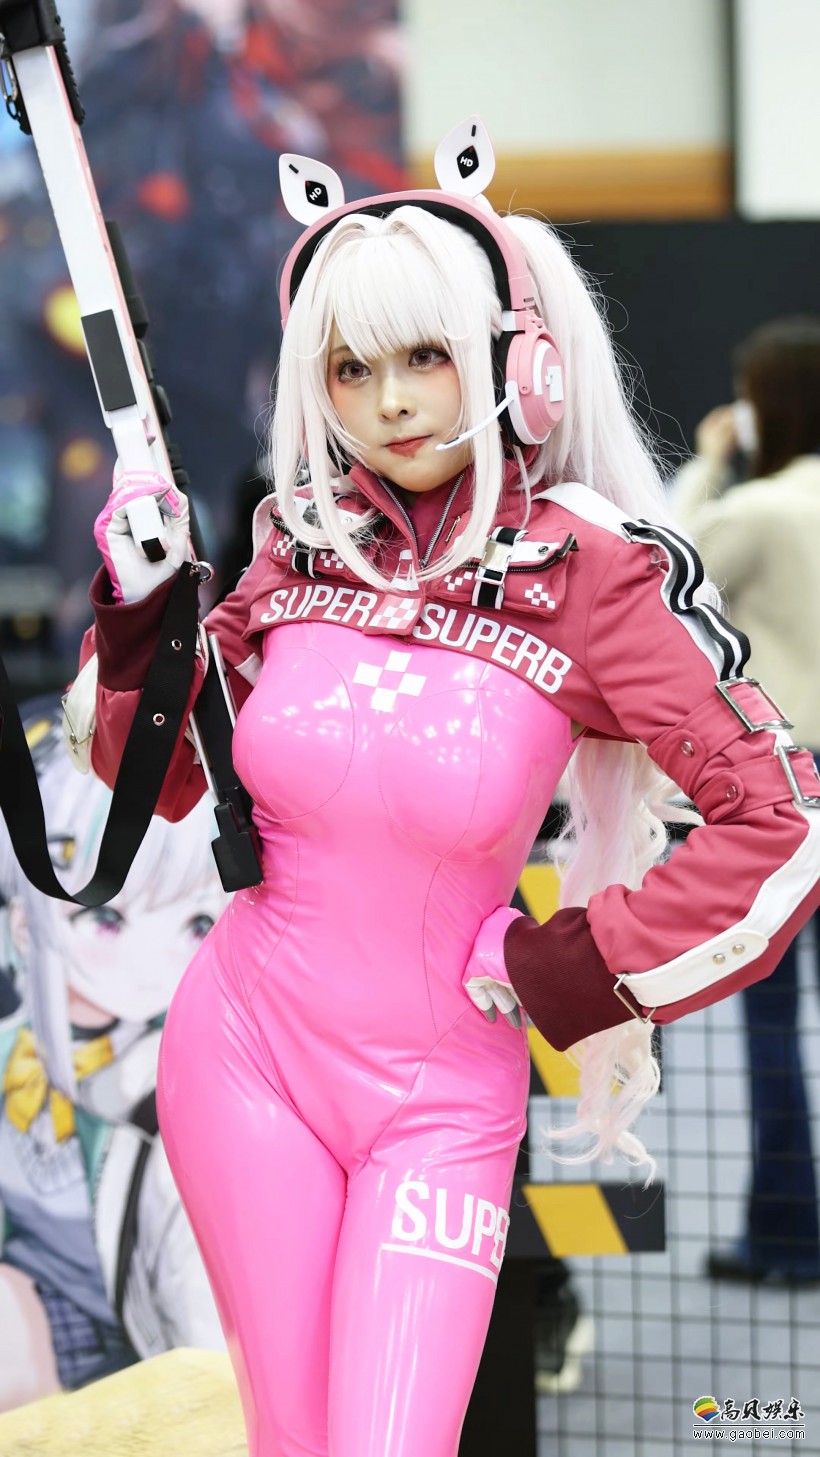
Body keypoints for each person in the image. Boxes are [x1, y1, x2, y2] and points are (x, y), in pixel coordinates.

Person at [64, 126, 820, 1457]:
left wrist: (568, 963)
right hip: (243, 1055)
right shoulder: (297, 549)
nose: (392, 401)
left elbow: (782, 823)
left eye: (425, 355)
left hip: (441, 1098)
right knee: (293, 1438)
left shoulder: (594, 573)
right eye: (352, 368)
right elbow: (154, 781)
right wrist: (138, 614)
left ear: (515, 360)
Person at [0, 702, 228, 1408]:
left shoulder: (182, 1099)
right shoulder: (15, 1046)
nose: (150, 958)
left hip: (138, 1363)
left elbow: (210, 1348)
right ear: (24, 920)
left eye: (197, 922)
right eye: (105, 917)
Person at [673, 317, 820, 1285]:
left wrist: (706, 462)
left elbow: (666, 569)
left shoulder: (762, 509)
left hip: (790, 789)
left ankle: (788, 1234)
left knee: (771, 1018)